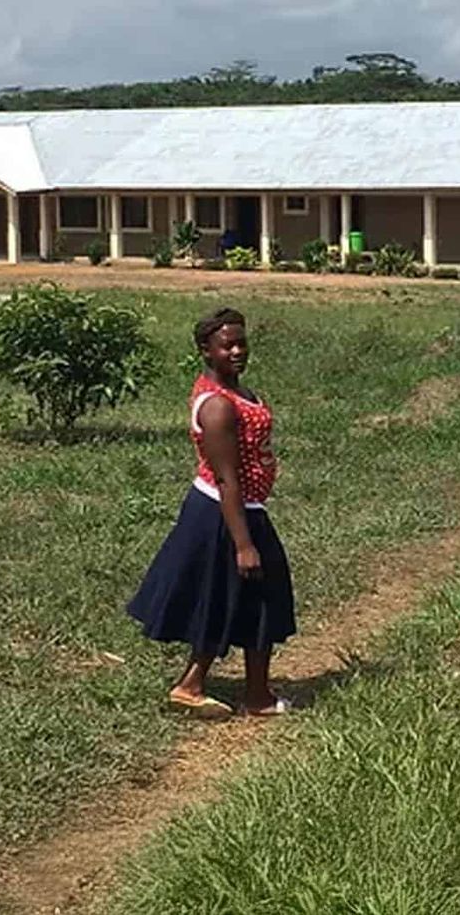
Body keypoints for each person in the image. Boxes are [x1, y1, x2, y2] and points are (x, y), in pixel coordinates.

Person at [127, 307, 295, 717]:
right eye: (226, 345)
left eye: (242, 343)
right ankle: (252, 696)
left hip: (238, 508)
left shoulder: (235, 393)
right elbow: (227, 479)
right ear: (206, 350)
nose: (237, 351)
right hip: (226, 513)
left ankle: (213, 686)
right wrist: (243, 544)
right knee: (261, 592)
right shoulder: (218, 406)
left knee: (226, 597)